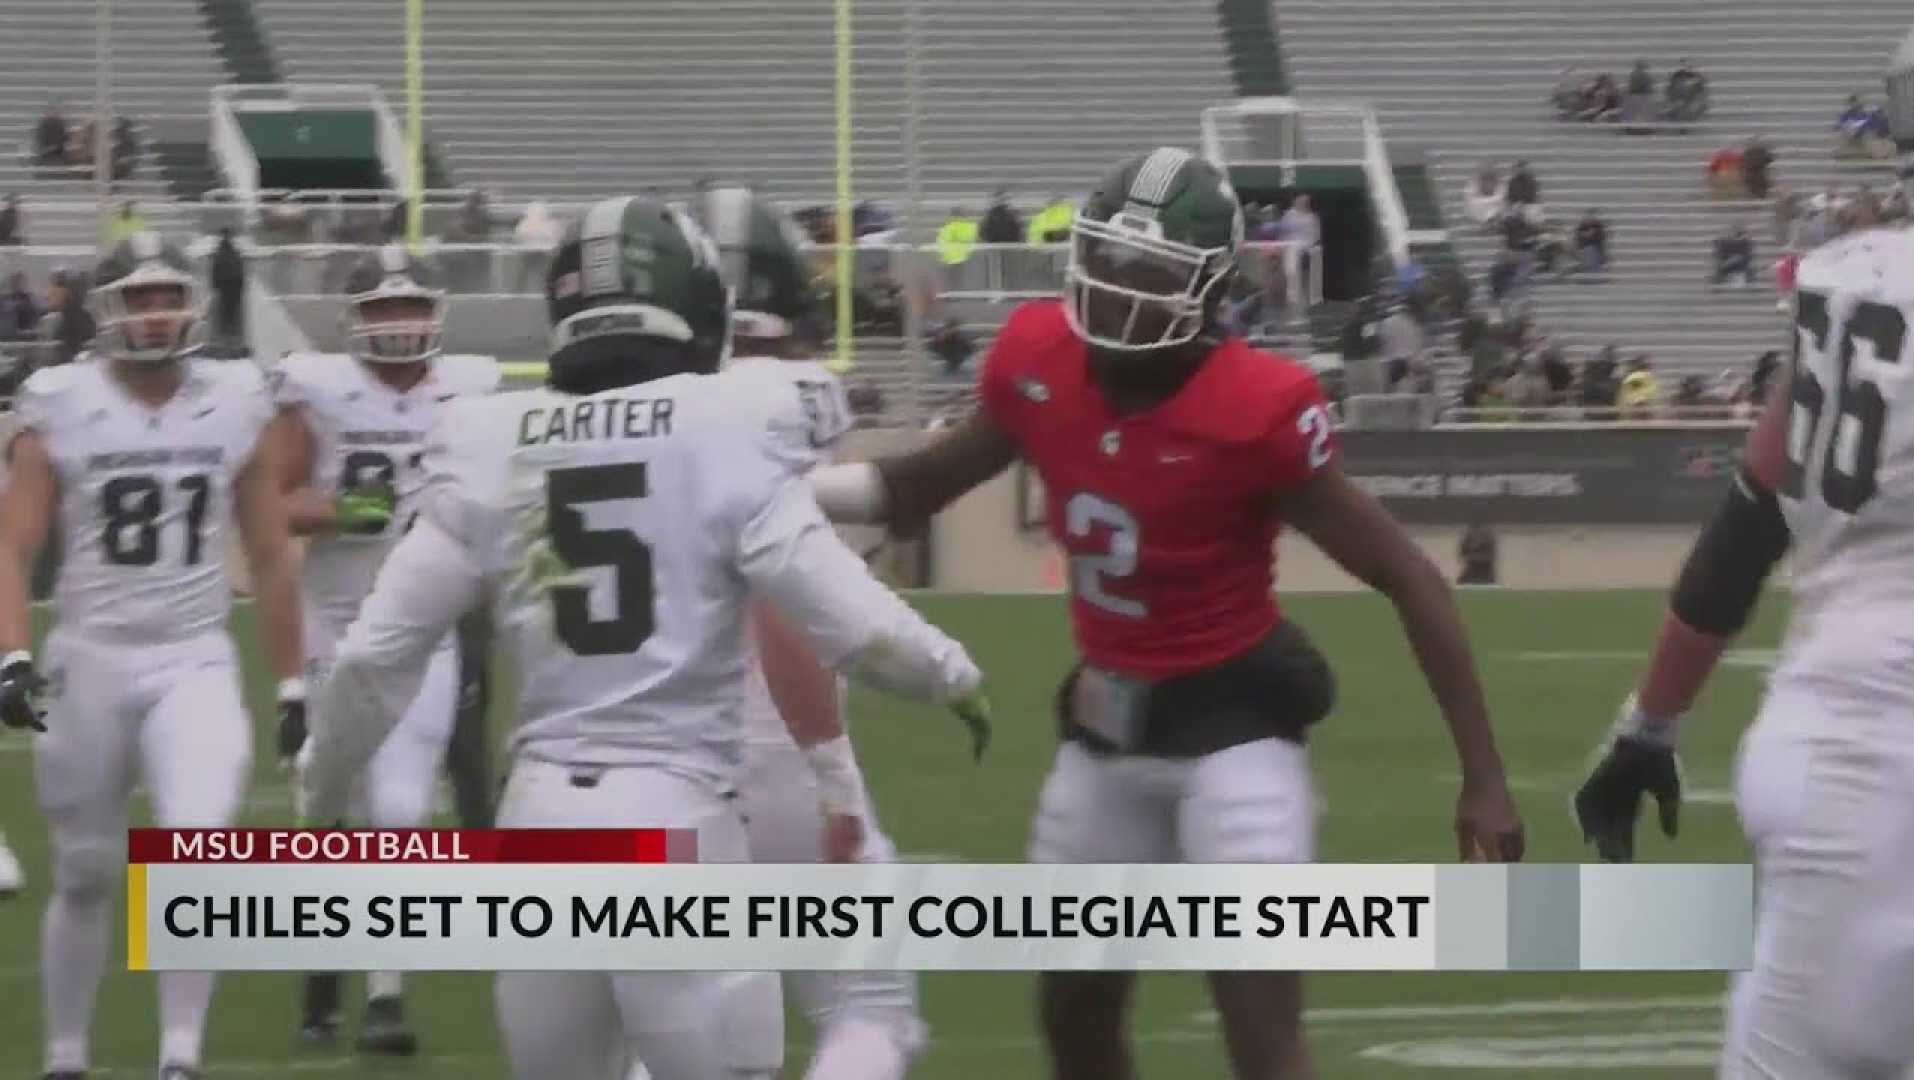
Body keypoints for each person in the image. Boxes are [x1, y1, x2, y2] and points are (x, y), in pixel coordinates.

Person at [808, 146, 1525, 1080]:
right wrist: (785, 493)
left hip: (1235, 736)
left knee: (1257, 1011)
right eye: (1104, 258)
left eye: (1148, 270)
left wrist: (1483, 775)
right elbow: (915, 487)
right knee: (1070, 1005)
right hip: (1107, 731)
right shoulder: (1039, 358)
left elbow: (1408, 575)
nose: (1114, 288)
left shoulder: (1258, 408)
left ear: (1212, 288)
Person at [299, 196, 990, 1080]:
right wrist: (950, 675)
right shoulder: (730, 421)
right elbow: (849, 620)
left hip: (540, 827)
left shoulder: (490, 438)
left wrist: (322, 779)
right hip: (674, 820)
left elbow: (372, 658)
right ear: (695, 307)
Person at [1573, 219, 1914, 1077]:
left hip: (1835, 738)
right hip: (1887, 768)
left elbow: (1745, 527)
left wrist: (1649, 725)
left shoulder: (1863, 275)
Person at [0, 232, 306, 1080]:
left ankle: (181, 1056)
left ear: (194, 303)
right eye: (137, 298)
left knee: (198, 849)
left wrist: (290, 680)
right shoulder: (59, 400)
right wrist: (12, 655)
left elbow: (273, 549)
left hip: (193, 657)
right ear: (107, 311)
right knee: (88, 870)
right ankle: (66, 1056)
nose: (155, 313)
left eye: (167, 294)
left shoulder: (235, 397)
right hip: (88, 659)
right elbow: (13, 545)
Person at [689, 181, 931, 1080]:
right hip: (765, 744)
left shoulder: (619, 407)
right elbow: (781, 600)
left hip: (631, 765)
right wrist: (835, 777)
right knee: (868, 1009)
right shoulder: (790, 399)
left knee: (684, 1026)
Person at [273, 246, 502, 1055]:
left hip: (425, 629)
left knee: (401, 808)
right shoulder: (322, 391)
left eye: (410, 308)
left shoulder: (470, 393)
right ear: (355, 321)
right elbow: (272, 503)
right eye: (382, 310)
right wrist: (342, 509)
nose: (399, 324)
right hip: (335, 621)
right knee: (324, 801)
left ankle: (384, 996)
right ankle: (322, 965)